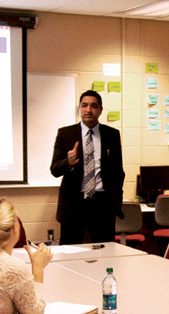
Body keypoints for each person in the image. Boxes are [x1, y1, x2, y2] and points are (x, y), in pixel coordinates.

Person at [50, 90, 125, 245]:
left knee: (105, 253)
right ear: (79, 108)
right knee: (70, 254)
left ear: (100, 110)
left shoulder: (112, 135)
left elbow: (118, 172)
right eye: (84, 105)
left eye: (93, 106)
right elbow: (55, 170)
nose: (88, 110)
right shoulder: (65, 133)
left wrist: (115, 201)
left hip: (102, 205)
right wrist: (68, 162)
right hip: (73, 204)